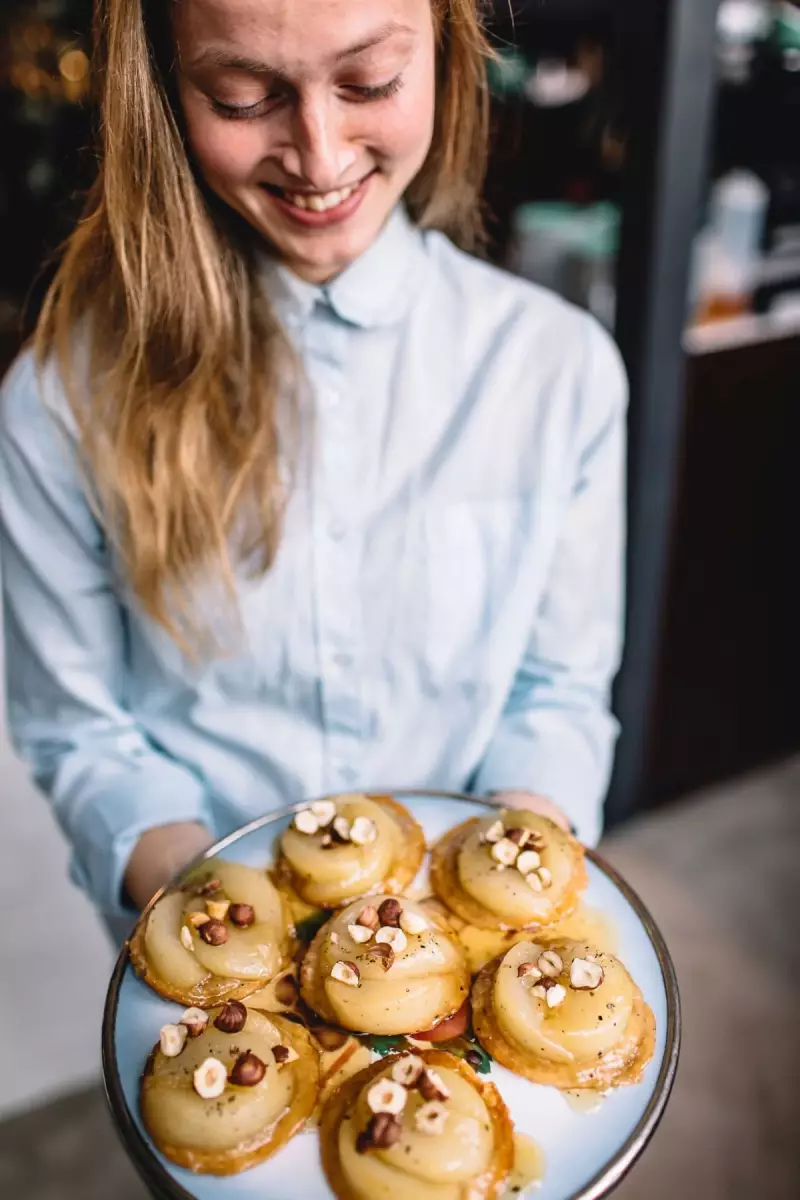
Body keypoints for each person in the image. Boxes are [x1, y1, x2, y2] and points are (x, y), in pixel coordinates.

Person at [0, 0, 626, 926]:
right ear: (164, 92)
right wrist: (226, 929)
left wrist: (493, 908)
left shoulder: (559, 370)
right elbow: (81, 730)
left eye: (370, 83)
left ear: (446, 54)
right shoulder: (61, 401)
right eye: (243, 97)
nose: (322, 160)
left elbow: (556, 696)